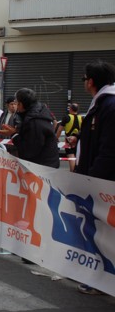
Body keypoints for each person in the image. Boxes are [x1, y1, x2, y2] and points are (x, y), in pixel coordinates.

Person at [67, 60, 115, 295]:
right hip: (100, 180)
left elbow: (109, 150)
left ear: (91, 81)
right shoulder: (102, 105)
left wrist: (92, 180)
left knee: (104, 232)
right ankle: (101, 278)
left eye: (85, 78)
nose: (84, 82)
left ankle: (103, 279)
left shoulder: (109, 105)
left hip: (103, 184)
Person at [0, 88, 59, 168]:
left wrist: (14, 135)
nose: (15, 105)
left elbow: (29, 150)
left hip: (41, 168)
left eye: (16, 102)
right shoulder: (37, 113)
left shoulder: (34, 121)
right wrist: (17, 131)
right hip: (44, 164)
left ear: (20, 104)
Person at [55, 102, 83, 172]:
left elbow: (59, 130)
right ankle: (78, 171)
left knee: (71, 156)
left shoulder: (66, 117)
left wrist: (56, 138)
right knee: (77, 156)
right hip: (78, 140)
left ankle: (73, 172)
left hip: (68, 140)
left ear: (70, 109)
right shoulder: (81, 118)